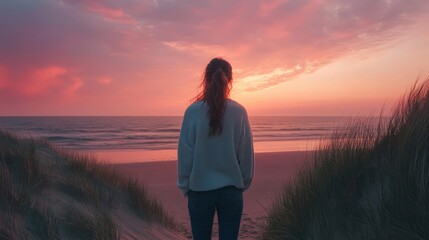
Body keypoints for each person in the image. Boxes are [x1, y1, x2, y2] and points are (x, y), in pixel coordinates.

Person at [177, 57, 254, 240]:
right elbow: (246, 155)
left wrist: (185, 185)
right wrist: (242, 183)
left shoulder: (192, 112)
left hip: (199, 191)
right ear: (231, 80)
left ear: (205, 79)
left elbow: (185, 154)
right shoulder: (239, 112)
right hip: (231, 191)